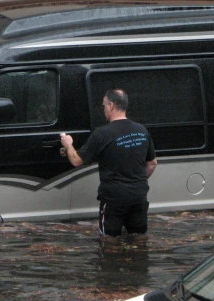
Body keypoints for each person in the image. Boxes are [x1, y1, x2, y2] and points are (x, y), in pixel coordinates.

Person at [60, 89, 158, 236]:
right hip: (139, 195)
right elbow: (152, 163)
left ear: (111, 105)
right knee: (138, 238)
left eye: (104, 105)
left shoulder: (102, 133)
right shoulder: (142, 130)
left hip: (114, 199)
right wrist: (136, 181)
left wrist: (68, 144)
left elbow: (76, 160)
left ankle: (110, 259)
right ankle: (140, 258)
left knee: (108, 241)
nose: (104, 109)